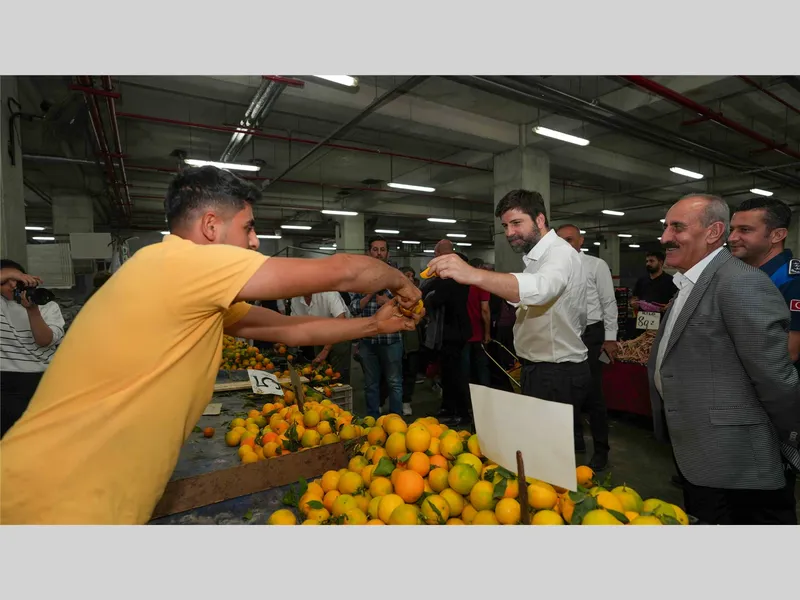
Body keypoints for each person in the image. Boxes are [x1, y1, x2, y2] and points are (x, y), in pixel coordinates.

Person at [0, 166, 422, 525]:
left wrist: (373, 323)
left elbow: (292, 331)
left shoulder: (186, 285)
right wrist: (405, 284)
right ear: (210, 226)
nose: (255, 242)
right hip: (51, 501)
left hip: (73, 497)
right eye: (249, 227)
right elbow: (346, 272)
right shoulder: (181, 263)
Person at [648, 193, 799, 525]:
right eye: (665, 227)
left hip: (738, 461)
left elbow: (774, 377)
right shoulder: (690, 283)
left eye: (677, 227)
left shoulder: (740, 283)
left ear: (713, 232)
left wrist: (788, 440)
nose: (665, 237)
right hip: (700, 451)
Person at [426, 189, 590, 452]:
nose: (509, 232)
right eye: (505, 225)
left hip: (556, 373)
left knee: (549, 458)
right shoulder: (539, 257)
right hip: (542, 370)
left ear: (539, 220)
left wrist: (473, 274)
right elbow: (520, 296)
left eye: (516, 223)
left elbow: (540, 288)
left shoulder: (559, 254)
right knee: (542, 453)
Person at [556, 225, 619, 471]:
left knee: (593, 394)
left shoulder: (596, 265)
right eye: (560, 241)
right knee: (566, 391)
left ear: (581, 241)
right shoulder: (555, 269)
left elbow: (608, 302)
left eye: (570, 240)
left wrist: (611, 337)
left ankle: (601, 450)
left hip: (592, 335)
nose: (565, 245)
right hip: (566, 334)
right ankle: (576, 440)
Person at [729, 197, 800, 369]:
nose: (732, 238)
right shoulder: (743, 276)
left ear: (777, 235)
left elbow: (790, 352)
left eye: (744, 230)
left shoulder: (791, 280)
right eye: (732, 230)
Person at [0, 260, 66, 438]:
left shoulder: (48, 306)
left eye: (17, 280)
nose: (12, 285)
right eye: (6, 281)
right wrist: (9, 275)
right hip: (5, 380)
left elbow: (44, 341)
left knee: (41, 437)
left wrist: (33, 310)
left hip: (41, 379)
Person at [349, 236, 406, 419]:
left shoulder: (398, 278)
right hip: (368, 340)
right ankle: (372, 421)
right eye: (375, 249)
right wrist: (370, 293)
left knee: (395, 383)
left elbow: (408, 308)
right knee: (370, 384)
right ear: (369, 252)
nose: (379, 253)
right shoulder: (360, 279)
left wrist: (387, 302)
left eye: (382, 250)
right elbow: (354, 308)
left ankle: (396, 420)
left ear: (387, 253)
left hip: (391, 341)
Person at [424, 248, 473, 426]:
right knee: (449, 374)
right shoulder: (460, 281)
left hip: (453, 334)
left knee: (455, 376)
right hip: (454, 333)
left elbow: (431, 297)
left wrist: (433, 282)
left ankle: (461, 413)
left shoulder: (453, 282)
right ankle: (449, 407)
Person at [290, 291, 353, 384]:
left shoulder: (328, 293)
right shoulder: (295, 299)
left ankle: (340, 394)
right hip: (319, 335)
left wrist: (326, 350)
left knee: (338, 376)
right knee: (320, 373)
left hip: (340, 334)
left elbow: (341, 321)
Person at [463, 257, 491, 388]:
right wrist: (487, 333)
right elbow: (485, 310)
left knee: (465, 368)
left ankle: (466, 399)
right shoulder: (482, 285)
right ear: (480, 267)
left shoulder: (461, 282)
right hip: (478, 332)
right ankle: (485, 395)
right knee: (482, 367)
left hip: (463, 332)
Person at [399, 266, 423, 416]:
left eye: (412, 276)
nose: (410, 278)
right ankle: (385, 401)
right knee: (393, 374)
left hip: (412, 341)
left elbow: (421, 313)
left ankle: (406, 401)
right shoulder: (393, 295)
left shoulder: (417, 296)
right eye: (407, 275)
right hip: (396, 339)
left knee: (410, 373)